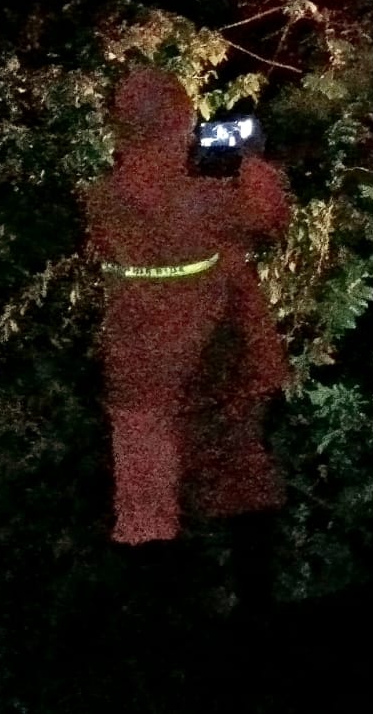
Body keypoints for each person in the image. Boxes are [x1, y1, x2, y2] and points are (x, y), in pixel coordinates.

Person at [84, 67, 292, 602]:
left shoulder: (103, 199)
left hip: (138, 370)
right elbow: (271, 217)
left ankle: (160, 619)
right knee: (240, 484)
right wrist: (251, 161)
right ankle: (256, 610)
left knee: (146, 504)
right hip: (215, 363)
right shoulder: (205, 201)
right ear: (179, 123)